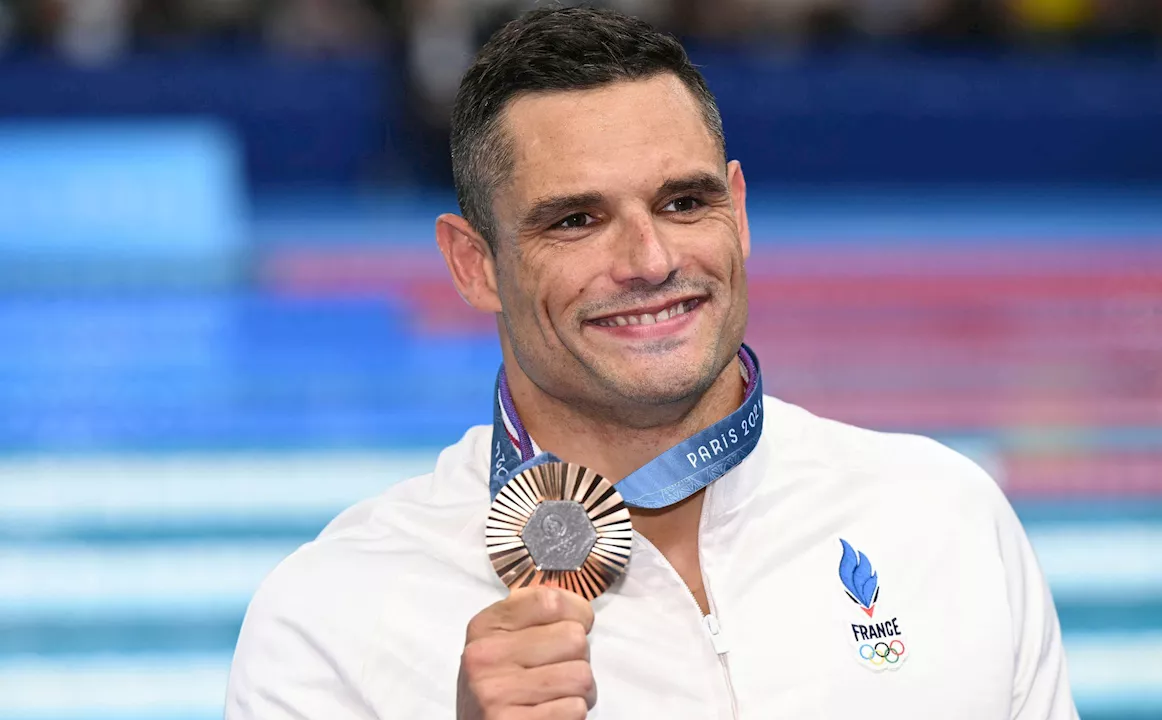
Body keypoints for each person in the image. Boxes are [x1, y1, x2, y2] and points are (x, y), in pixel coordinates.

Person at [225, 6, 1078, 719]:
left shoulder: (942, 518)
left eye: (683, 202)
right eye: (575, 221)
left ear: (737, 212)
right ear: (474, 264)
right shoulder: (331, 620)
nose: (648, 259)